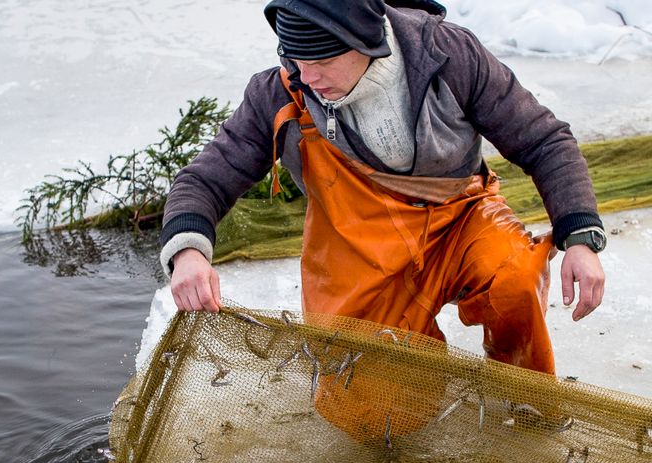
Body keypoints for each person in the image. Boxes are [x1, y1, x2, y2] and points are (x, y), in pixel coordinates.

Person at [160, 0, 607, 375]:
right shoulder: (279, 93)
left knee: (513, 278)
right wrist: (188, 252)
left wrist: (581, 238)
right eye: (295, 60)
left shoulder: (448, 55)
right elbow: (205, 178)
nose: (306, 76)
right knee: (374, 410)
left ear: (367, 42)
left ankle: (521, 400)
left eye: (322, 61)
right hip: (358, 251)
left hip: (460, 220)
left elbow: (543, 140)